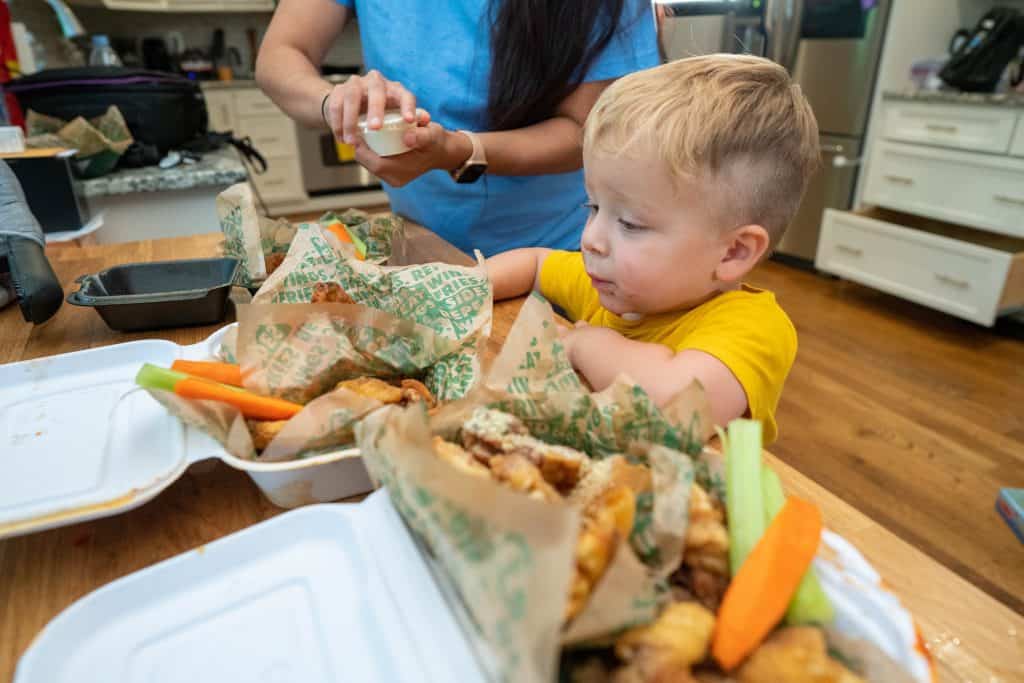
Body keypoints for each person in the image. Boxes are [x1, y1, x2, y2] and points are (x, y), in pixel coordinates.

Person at [486, 55, 820, 443]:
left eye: (629, 223)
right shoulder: (614, 285)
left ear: (733, 253)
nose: (591, 237)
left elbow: (676, 409)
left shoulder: (754, 328)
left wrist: (587, 344)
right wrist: (471, 283)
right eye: (594, 207)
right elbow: (535, 262)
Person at [255, 0, 659, 256]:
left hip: (566, 252)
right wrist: (335, 104)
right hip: (423, 246)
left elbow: (584, 133)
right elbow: (281, 54)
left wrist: (459, 150)